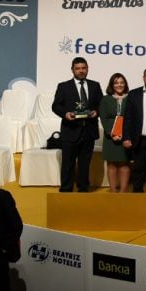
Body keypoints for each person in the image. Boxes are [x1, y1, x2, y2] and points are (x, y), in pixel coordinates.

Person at [52, 56, 103, 192]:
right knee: (67, 164)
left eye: (83, 68)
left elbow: (101, 104)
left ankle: (83, 189)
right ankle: (66, 189)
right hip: (70, 131)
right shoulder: (63, 86)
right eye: (78, 68)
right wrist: (65, 114)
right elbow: (56, 106)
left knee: (84, 164)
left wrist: (96, 112)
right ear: (72, 70)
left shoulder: (95, 85)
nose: (81, 71)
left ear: (87, 69)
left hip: (89, 131)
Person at [99, 73, 131, 192]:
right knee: (111, 164)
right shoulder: (105, 99)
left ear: (125, 84)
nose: (119, 85)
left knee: (124, 164)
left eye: (122, 82)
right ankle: (113, 192)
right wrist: (112, 133)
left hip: (126, 136)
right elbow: (103, 117)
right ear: (112, 85)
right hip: (110, 137)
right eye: (116, 82)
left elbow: (132, 118)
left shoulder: (131, 98)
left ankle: (122, 193)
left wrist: (125, 135)